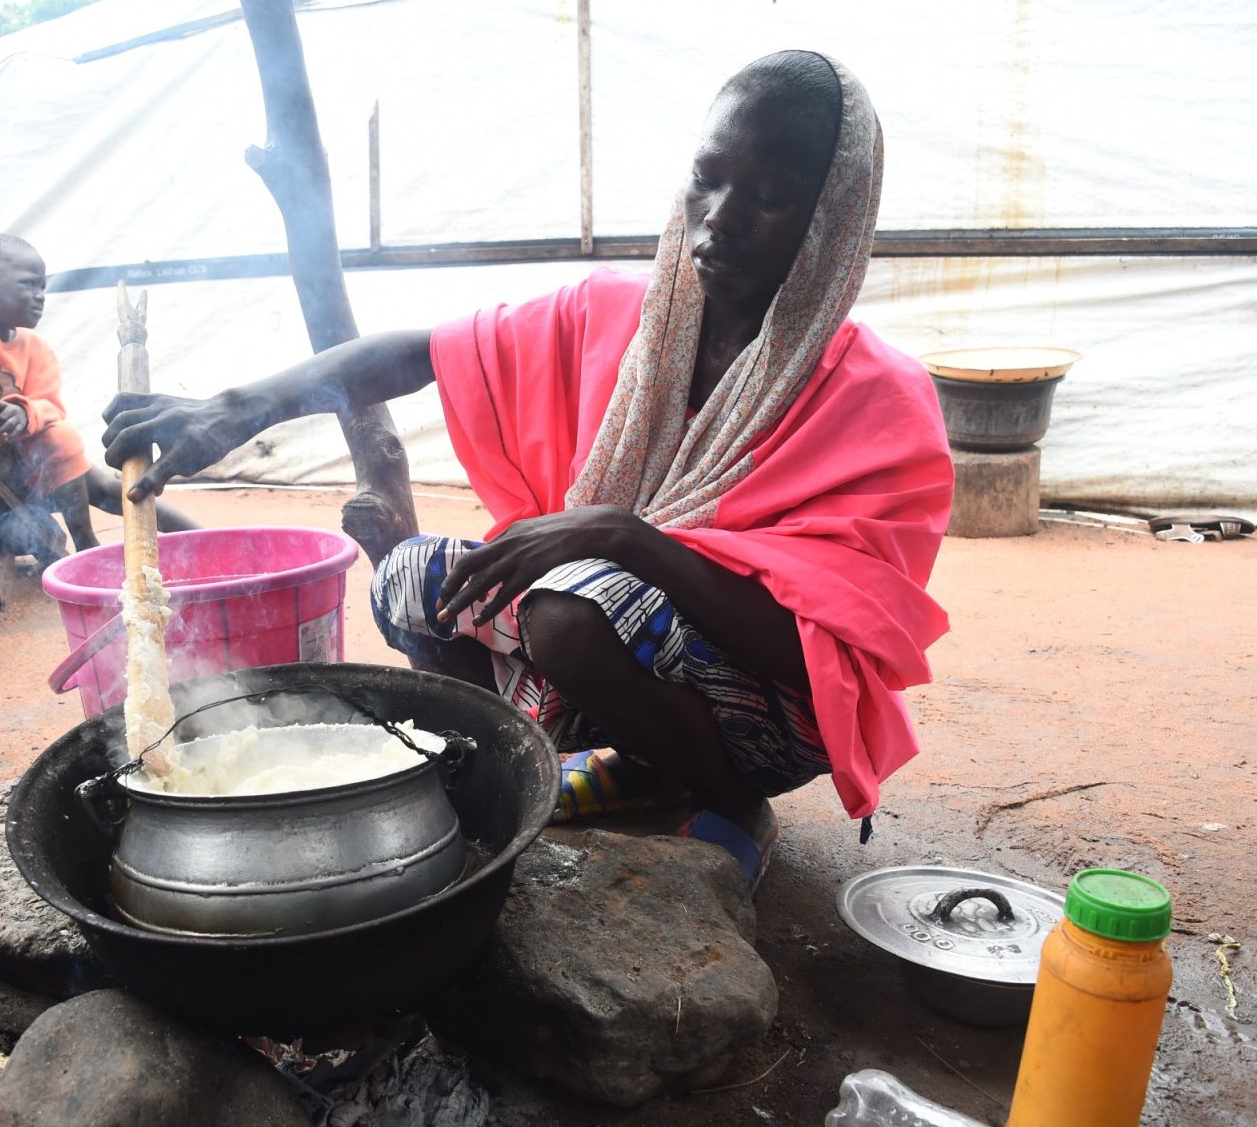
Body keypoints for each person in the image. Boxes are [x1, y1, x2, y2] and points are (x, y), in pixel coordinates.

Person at [101, 51, 953, 896]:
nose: (719, 219)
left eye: (767, 198)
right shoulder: (619, 317)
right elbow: (418, 352)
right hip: (619, 633)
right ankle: (528, 767)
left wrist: (624, 536)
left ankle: (728, 798)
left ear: (831, 219)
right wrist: (236, 406)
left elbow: (818, 657)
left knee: (572, 610)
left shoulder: (878, 399)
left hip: (768, 714)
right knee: (412, 580)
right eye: (706, 179)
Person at [0, 233, 196, 553]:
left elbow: (50, 406)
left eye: (43, 287)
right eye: (29, 284)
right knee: (70, 450)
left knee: (110, 487)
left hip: (44, 462)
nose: (40, 296)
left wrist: (24, 412)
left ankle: (203, 537)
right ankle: (85, 541)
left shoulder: (36, 347)